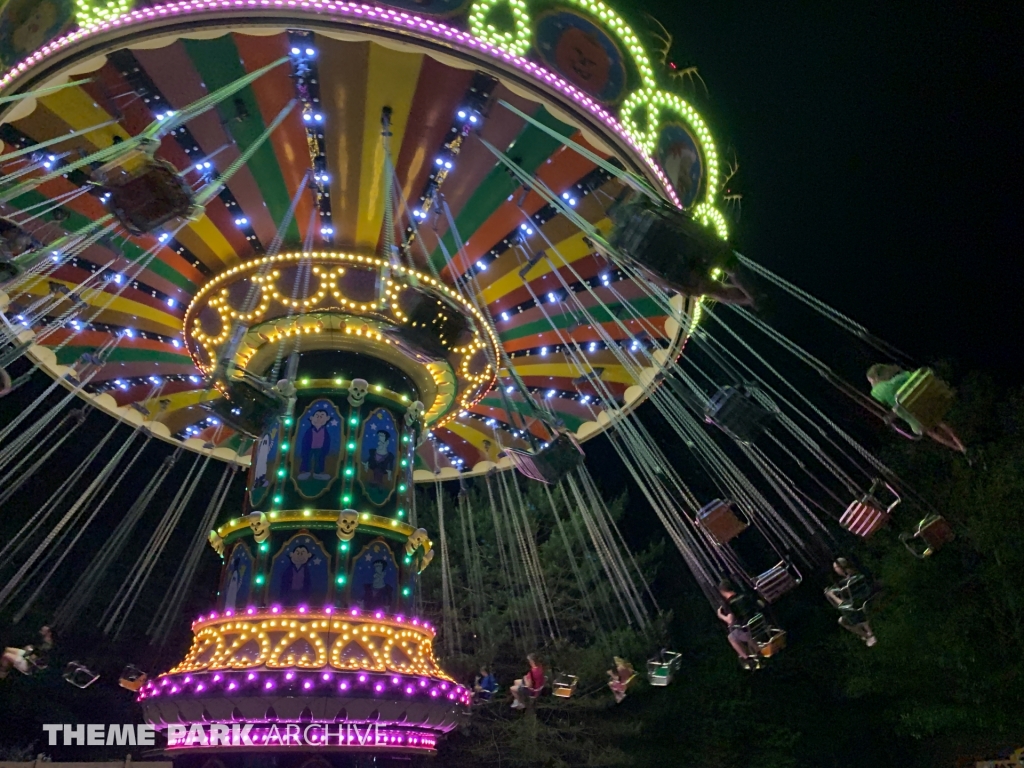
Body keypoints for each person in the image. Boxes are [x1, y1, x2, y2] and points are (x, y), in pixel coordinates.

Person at [866, 364, 965, 453]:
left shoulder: (877, 391)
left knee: (927, 427)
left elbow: (882, 403)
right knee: (936, 419)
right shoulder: (902, 376)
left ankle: (958, 448)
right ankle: (961, 444)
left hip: (916, 417)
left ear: (875, 379)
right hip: (930, 402)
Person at [825, 558, 877, 647]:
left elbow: (844, 604)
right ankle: (866, 635)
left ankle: (869, 634)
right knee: (841, 620)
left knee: (844, 610)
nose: (835, 570)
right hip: (863, 600)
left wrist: (832, 595)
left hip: (859, 605)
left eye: (836, 568)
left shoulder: (851, 582)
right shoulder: (854, 575)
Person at [715, 579, 761, 669]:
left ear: (722, 592)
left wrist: (720, 615)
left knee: (731, 637)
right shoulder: (744, 595)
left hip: (748, 631)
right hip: (758, 623)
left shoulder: (730, 604)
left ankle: (747, 658)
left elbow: (730, 621)